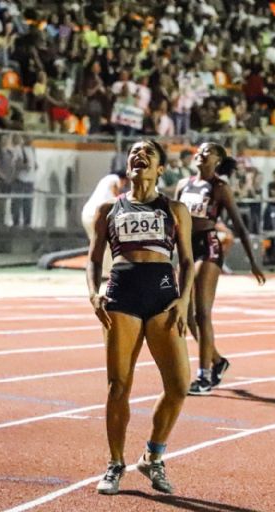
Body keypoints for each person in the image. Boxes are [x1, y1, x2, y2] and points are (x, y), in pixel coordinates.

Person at [87, 140, 194, 496]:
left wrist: (183, 300)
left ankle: (153, 456)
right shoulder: (108, 209)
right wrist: (93, 291)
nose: (139, 155)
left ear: (160, 168)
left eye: (148, 152)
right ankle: (115, 463)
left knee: (179, 385)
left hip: (163, 297)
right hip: (122, 296)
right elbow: (93, 259)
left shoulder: (175, 209)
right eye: (135, 151)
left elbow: (188, 261)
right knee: (118, 385)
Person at [176, 142, 265, 396]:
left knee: (202, 314)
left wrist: (253, 262)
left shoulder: (220, 188)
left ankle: (204, 376)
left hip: (208, 247)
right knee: (186, 315)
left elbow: (239, 226)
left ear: (217, 160)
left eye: (208, 152)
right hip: (186, 248)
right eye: (200, 150)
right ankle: (217, 361)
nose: (201, 154)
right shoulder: (183, 185)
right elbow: (174, 218)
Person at [81, 169, 129, 276]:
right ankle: (105, 272)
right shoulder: (114, 179)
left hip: (86, 213)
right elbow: (115, 193)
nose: (123, 186)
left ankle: (97, 271)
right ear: (124, 179)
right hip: (94, 215)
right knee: (107, 243)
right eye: (125, 183)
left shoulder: (105, 180)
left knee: (96, 244)